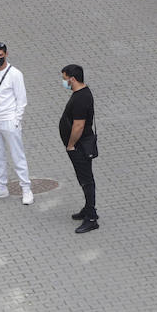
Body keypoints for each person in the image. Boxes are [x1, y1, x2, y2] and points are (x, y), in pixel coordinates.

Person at [0, 41, 32, 206]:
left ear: (6, 54)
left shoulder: (15, 74)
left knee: (18, 156)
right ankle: (1, 187)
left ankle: (26, 188)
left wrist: (16, 120)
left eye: (0, 56)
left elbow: (21, 99)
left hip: (9, 120)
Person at [60, 65, 99, 234]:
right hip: (80, 144)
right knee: (83, 177)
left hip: (80, 146)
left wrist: (71, 144)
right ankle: (88, 208)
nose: (64, 82)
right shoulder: (81, 94)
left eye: (65, 78)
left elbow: (79, 125)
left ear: (73, 79)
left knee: (86, 179)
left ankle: (91, 217)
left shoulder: (81, 99)